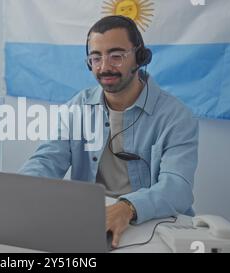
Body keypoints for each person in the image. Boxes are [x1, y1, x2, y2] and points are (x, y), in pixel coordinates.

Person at [19, 15, 199, 248]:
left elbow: (178, 188)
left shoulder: (176, 116)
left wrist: (127, 208)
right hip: (92, 222)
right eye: (96, 58)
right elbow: (47, 159)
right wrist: (21, 191)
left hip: (152, 224)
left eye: (116, 56)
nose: (104, 67)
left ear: (140, 57)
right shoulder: (78, 105)